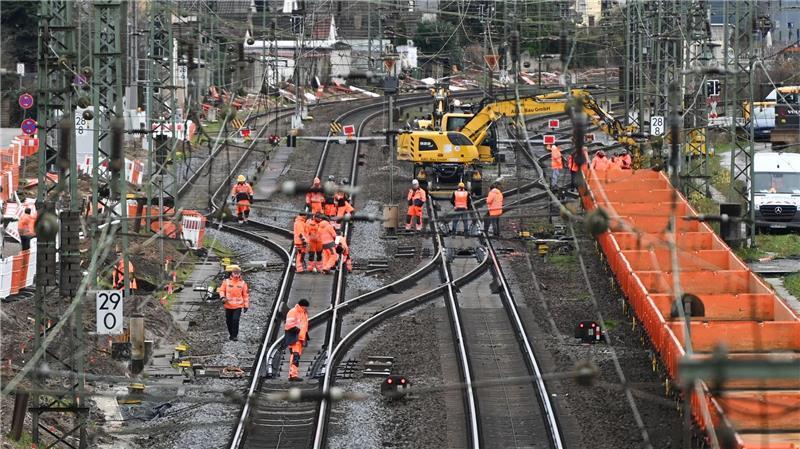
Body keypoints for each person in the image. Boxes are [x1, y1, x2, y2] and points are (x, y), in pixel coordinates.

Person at [218, 265, 249, 341]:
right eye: (235, 272)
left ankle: (234, 335)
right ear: (232, 273)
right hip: (228, 305)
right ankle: (231, 334)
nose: (236, 274)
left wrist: (246, 305)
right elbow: (221, 290)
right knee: (229, 321)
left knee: (235, 320)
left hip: (238, 306)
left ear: (240, 274)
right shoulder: (226, 282)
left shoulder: (242, 283)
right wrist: (222, 297)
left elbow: (245, 295)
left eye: (238, 273)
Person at [285, 299, 310, 381]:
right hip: (295, 337)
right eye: (306, 307)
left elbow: (304, 326)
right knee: (295, 356)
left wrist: (304, 337)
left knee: (296, 356)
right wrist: (298, 331)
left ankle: (293, 374)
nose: (306, 309)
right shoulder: (294, 311)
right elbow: (289, 324)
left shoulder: (303, 313)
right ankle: (292, 375)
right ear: (302, 306)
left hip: (300, 338)